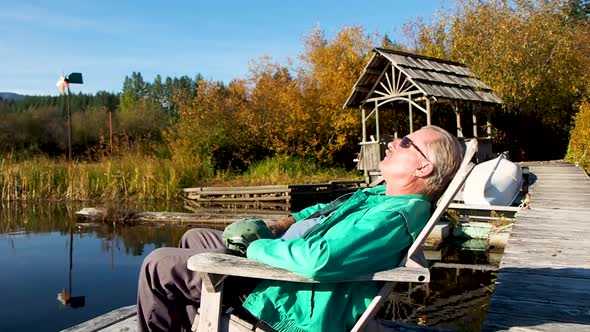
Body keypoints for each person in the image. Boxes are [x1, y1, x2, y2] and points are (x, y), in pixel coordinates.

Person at [137, 125, 463, 332]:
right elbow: (324, 211)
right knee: (195, 237)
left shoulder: (395, 217)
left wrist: (256, 248)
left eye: (406, 142)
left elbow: (319, 260)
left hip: (283, 295)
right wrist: (281, 225)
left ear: (423, 167)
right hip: (277, 268)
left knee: (159, 265)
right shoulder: (379, 195)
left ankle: (213, 311)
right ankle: (202, 317)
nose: (393, 141)